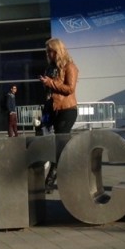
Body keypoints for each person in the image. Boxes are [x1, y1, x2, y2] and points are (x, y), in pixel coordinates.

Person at [39, 38, 79, 191]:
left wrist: (50, 83)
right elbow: (50, 92)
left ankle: (50, 180)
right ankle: (67, 174)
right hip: (51, 109)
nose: (49, 54)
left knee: (59, 144)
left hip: (66, 109)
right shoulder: (50, 68)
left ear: (58, 51)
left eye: (51, 51)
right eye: (47, 51)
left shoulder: (70, 67)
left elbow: (69, 89)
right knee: (51, 143)